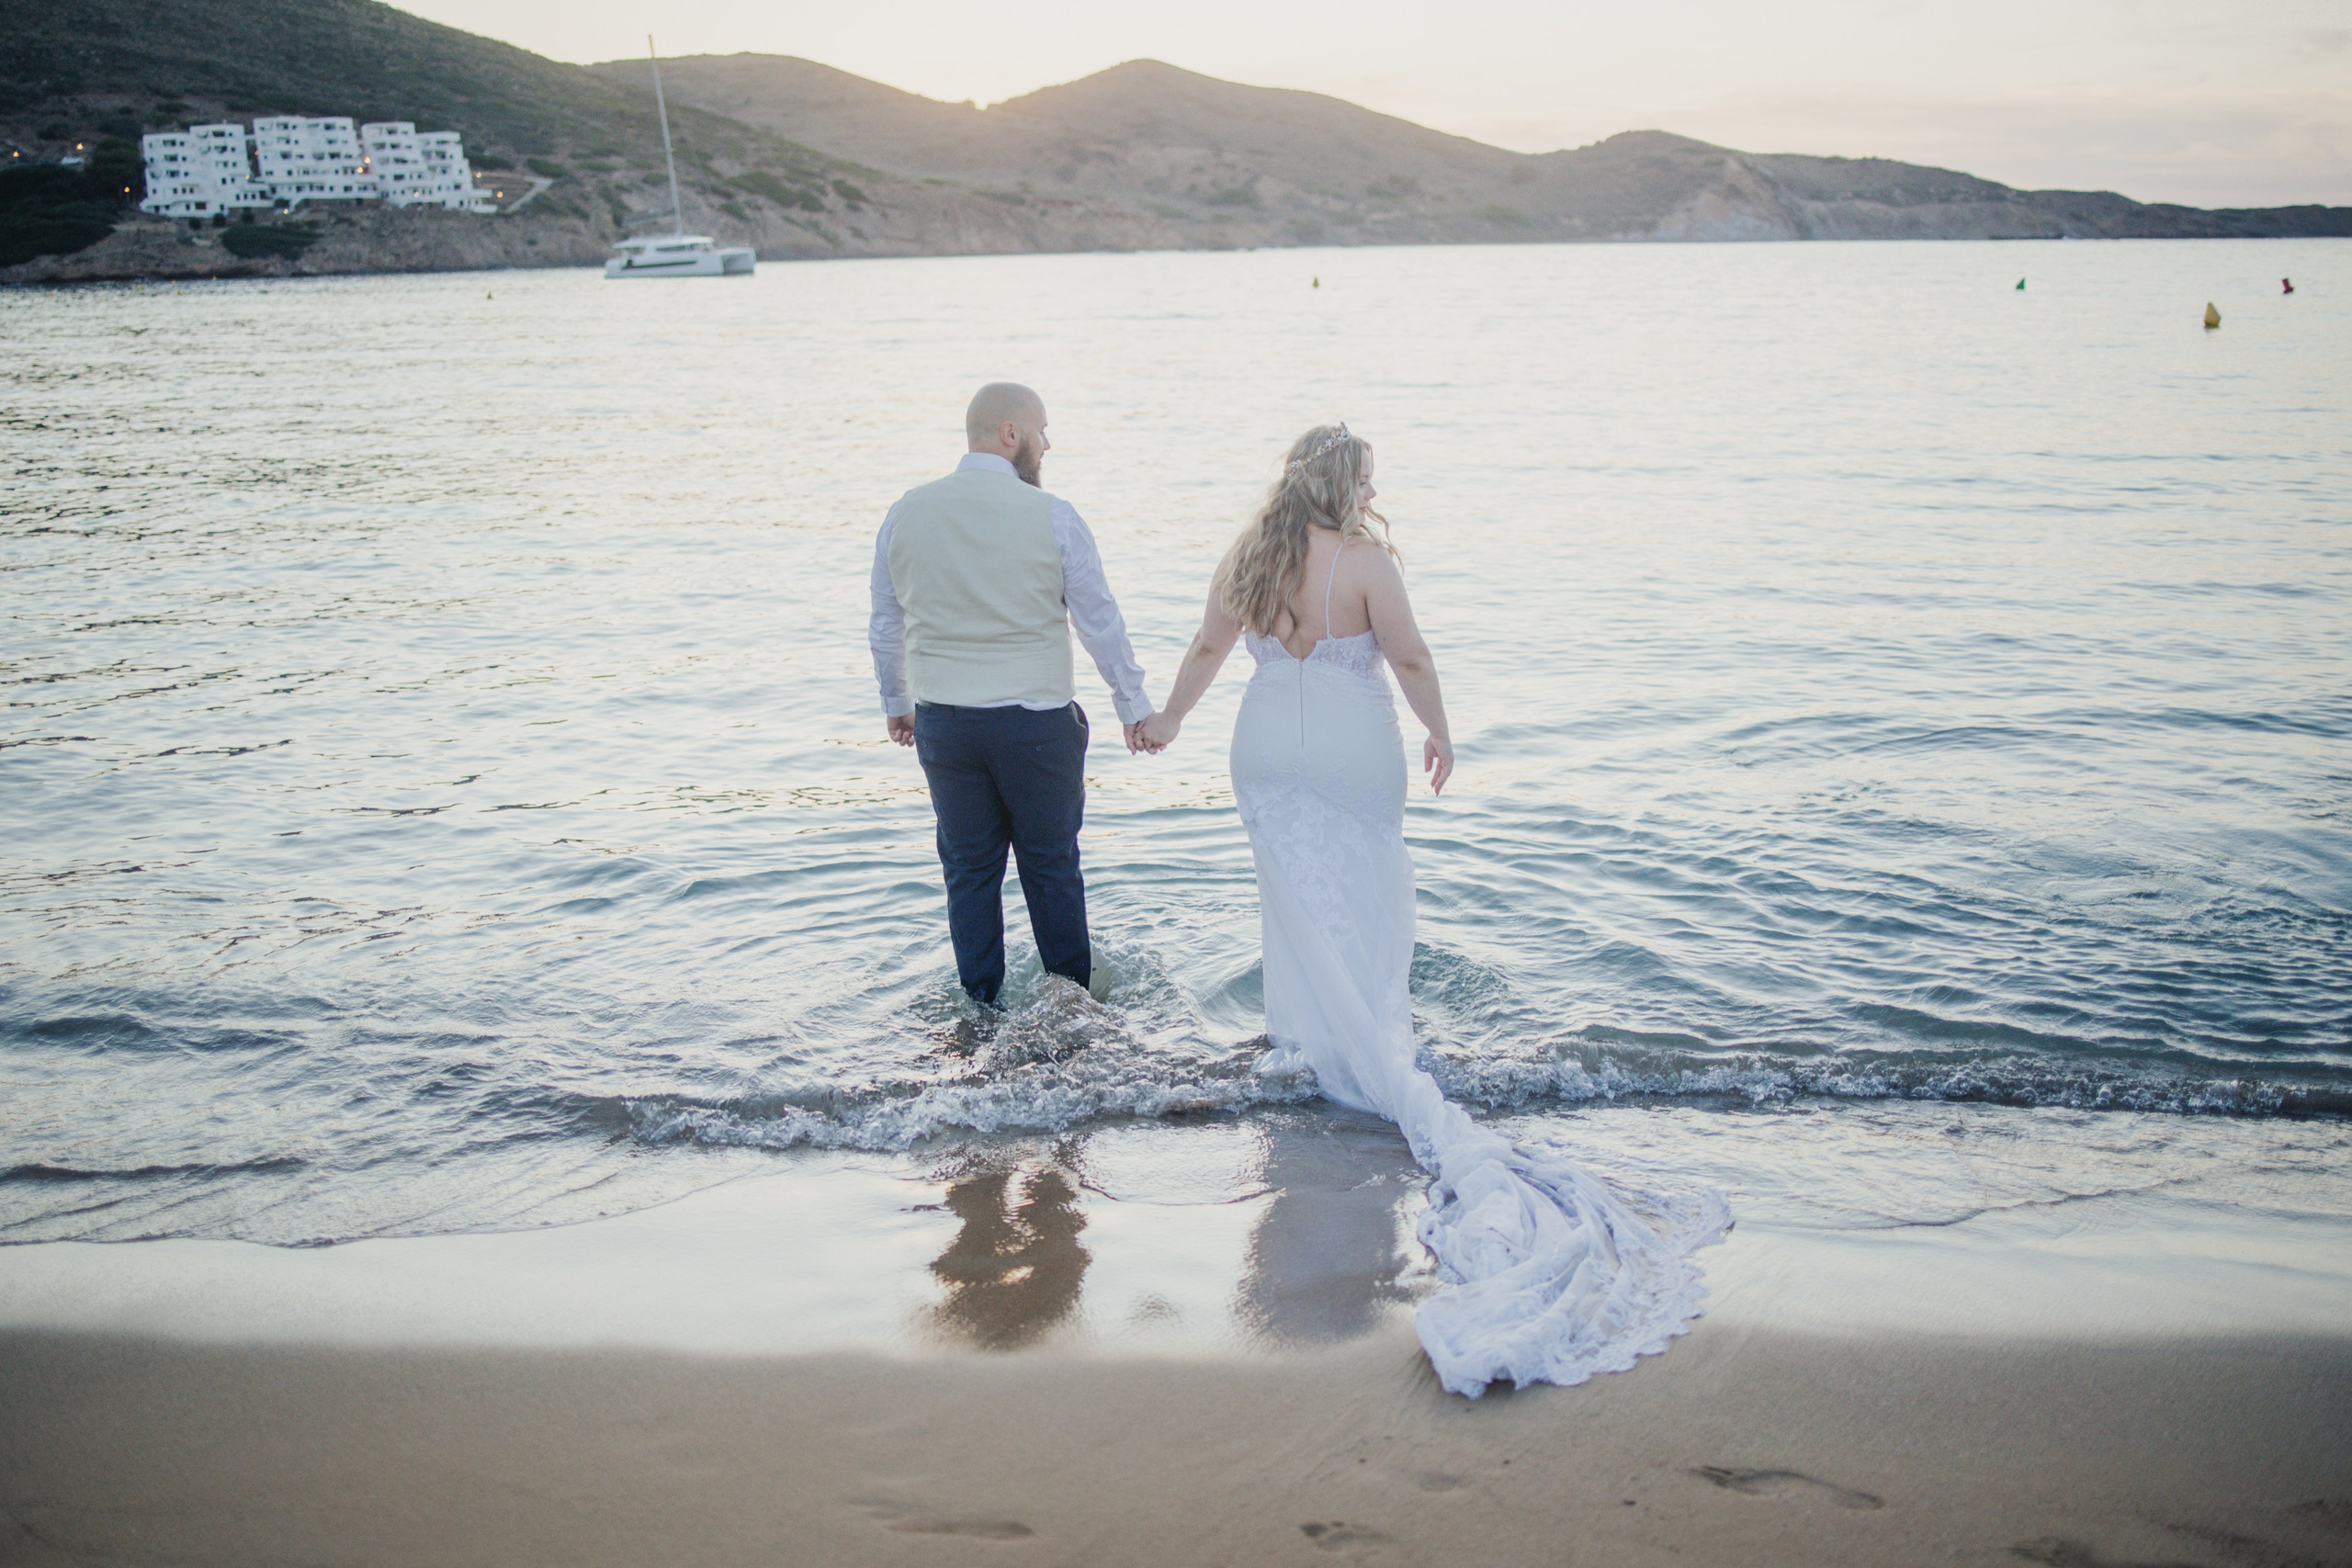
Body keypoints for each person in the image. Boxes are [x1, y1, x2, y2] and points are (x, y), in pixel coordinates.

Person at [1140, 423, 1726, 1396]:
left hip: (1263, 749)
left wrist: (1165, 719)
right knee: (1365, 897)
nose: (1373, 494)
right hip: (1347, 747)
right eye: (1366, 479)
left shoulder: (1247, 556)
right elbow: (1406, 660)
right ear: (1346, 485)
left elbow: (1208, 644)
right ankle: (1366, 1047)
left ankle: (1308, 1047)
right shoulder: (1363, 563)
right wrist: (1442, 733)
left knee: (1292, 907)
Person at [869, 383, 1153, 1007]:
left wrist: (898, 704)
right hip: (1035, 727)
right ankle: (1072, 1012)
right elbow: (1099, 622)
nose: (1046, 443)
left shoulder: (904, 512)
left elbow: (886, 621)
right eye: (1041, 430)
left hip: (946, 726)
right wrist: (1134, 709)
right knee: (1050, 868)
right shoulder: (1053, 515)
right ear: (1008, 433)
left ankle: (977, 1009)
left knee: (969, 873)